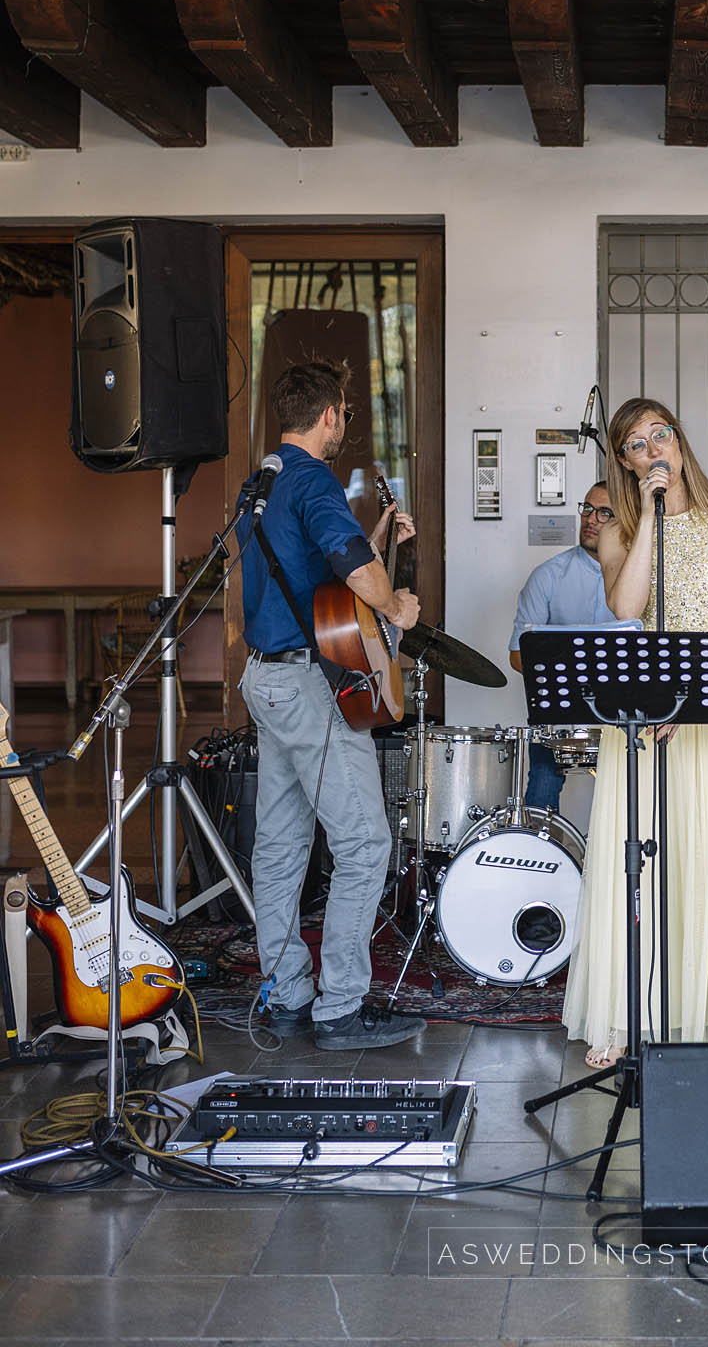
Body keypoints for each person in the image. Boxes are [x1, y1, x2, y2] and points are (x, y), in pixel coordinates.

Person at [562, 398, 708, 1068]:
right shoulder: (619, 532)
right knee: (640, 855)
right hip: (643, 705)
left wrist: (696, 697)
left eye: (661, 434)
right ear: (625, 463)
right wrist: (650, 521)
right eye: (637, 444)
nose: (653, 447)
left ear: (680, 442)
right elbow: (625, 609)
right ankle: (631, 1014)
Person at [238, 357, 426, 1051]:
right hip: (306, 689)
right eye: (344, 412)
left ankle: (286, 991)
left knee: (282, 844)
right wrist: (395, 601)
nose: (344, 422)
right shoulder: (316, 478)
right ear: (328, 416)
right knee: (365, 841)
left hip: (265, 680)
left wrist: (375, 543)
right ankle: (341, 1007)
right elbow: (354, 580)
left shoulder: (262, 484)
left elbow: (309, 575)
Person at [508, 480, 628, 810]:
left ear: (624, 520)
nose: (590, 518)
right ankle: (539, 854)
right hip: (559, 709)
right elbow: (518, 656)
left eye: (604, 513)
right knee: (543, 781)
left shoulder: (638, 575)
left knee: (637, 785)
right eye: (587, 508)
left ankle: (625, 858)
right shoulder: (547, 576)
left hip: (622, 708)